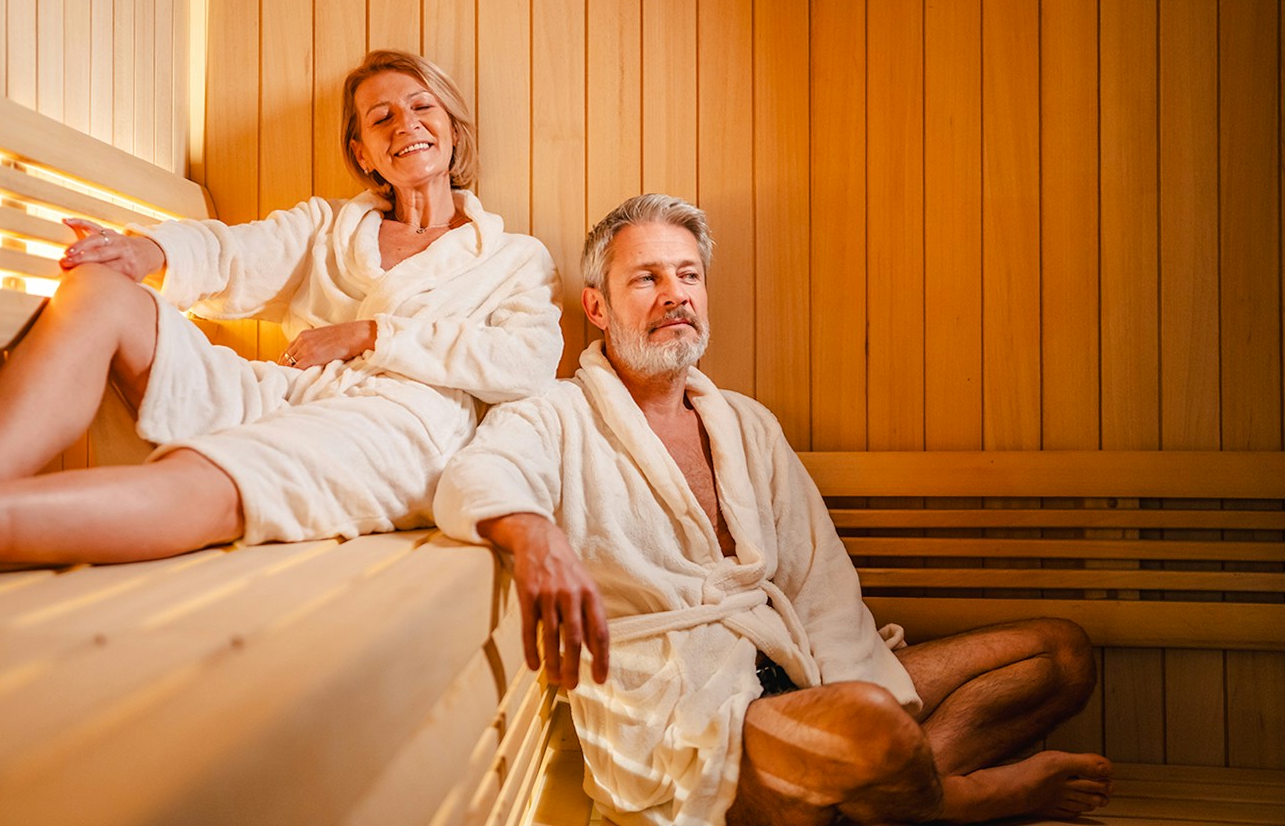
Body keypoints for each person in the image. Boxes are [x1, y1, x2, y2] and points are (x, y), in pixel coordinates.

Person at [0, 49, 563, 593]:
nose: (405, 125)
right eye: (380, 118)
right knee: (99, 293)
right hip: (286, 388)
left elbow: (526, 361)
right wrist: (146, 255)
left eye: (421, 108)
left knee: (230, 467)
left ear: (453, 131)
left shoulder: (513, 257)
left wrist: (375, 335)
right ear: (362, 153)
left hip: (399, 427)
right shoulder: (330, 226)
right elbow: (236, 251)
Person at [433, 194, 1112, 826]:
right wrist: (533, 535)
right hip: (681, 709)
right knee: (872, 726)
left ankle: (884, 785)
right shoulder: (556, 416)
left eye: (688, 276)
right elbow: (472, 476)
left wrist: (851, 684)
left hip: (792, 666)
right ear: (598, 307)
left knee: (1061, 654)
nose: (675, 295)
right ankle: (964, 798)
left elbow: (819, 584)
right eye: (646, 279)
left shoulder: (745, 424)